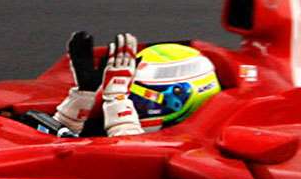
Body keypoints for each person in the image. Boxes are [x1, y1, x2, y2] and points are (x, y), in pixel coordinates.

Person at [47, 34, 223, 137]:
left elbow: (130, 158)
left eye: (140, 100)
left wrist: (118, 104)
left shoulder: (198, 150)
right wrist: (81, 100)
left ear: (179, 99)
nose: (134, 107)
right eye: (130, 98)